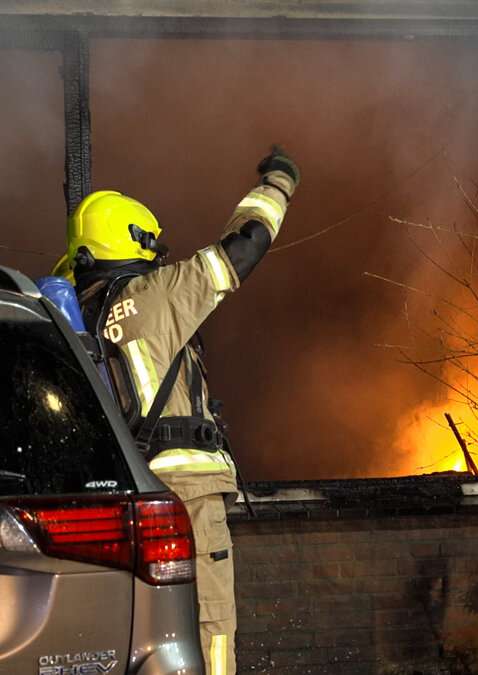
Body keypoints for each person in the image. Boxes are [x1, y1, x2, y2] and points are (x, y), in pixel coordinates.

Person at [54, 147, 299, 675]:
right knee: (208, 626)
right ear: (134, 237)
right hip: (186, 493)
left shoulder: (77, 318)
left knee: (141, 632)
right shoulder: (156, 294)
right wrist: (278, 182)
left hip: (123, 497)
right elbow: (246, 245)